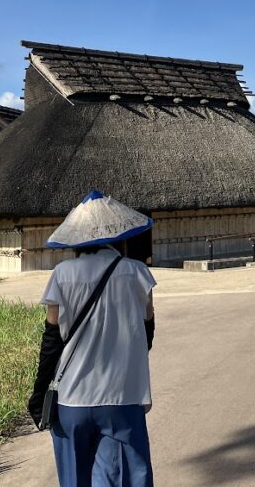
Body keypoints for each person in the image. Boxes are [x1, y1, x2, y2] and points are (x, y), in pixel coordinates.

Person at [28, 190, 157, 487]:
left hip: (72, 399)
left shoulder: (61, 275)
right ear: (118, 235)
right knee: (121, 478)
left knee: (75, 478)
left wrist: (38, 394)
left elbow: (51, 342)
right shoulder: (138, 274)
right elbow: (147, 332)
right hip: (122, 399)